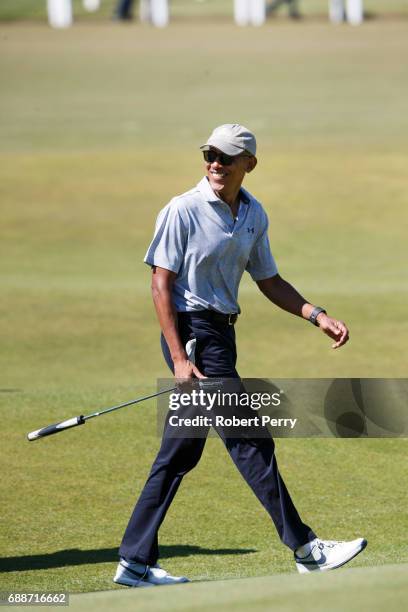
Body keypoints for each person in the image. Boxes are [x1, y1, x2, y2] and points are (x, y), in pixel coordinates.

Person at [113, 124, 367, 587]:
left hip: (220, 337)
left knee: (179, 453)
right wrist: (179, 359)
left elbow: (268, 279)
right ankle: (307, 549)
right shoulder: (182, 209)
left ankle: (133, 561)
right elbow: (159, 284)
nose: (216, 163)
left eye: (227, 157)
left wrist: (316, 314)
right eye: (210, 154)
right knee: (250, 440)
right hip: (192, 336)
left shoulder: (252, 213)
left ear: (249, 164)